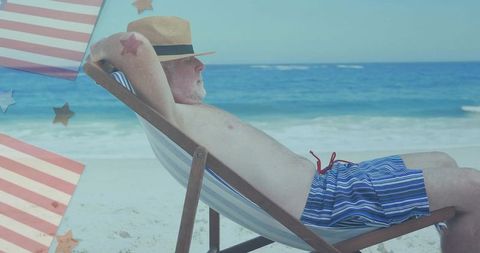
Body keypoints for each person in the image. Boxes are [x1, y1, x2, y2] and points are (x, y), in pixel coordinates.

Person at [87, 16, 480, 253]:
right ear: (161, 72)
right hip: (325, 208)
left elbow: (132, 50)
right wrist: (102, 52)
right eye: (190, 61)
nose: (201, 67)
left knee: (442, 161)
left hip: (334, 185)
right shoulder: (170, 113)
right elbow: (133, 44)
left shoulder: (180, 113)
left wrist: (109, 58)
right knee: (472, 187)